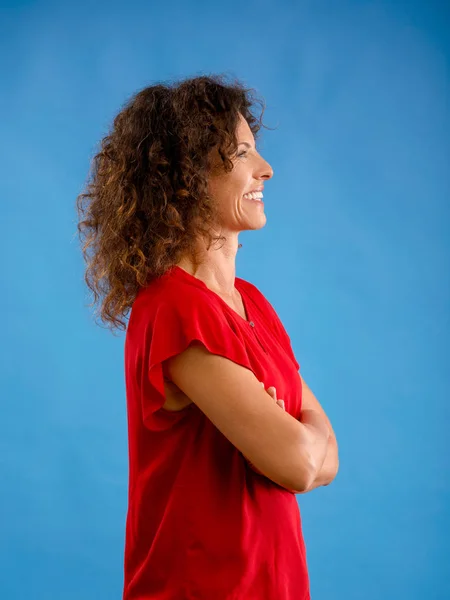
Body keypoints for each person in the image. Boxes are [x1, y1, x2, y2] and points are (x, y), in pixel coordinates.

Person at [76, 74, 339, 600]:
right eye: (242, 154)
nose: (265, 169)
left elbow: (326, 455)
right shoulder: (173, 308)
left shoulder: (254, 304)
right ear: (186, 177)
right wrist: (289, 428)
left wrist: (286, 429)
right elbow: (303, 462)